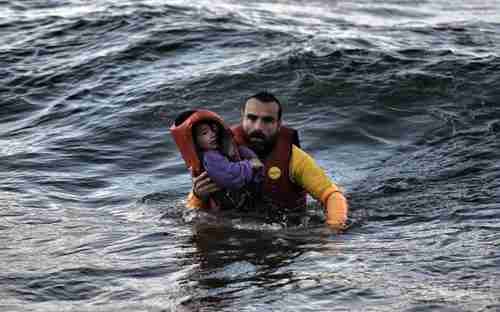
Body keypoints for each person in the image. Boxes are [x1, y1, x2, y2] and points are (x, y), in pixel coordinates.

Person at [186, 92, 349, 231]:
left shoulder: (294, 158)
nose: (258, 127)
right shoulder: (217, 154)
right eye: (252, 118)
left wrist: (332, 231)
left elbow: (332, 195)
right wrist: (198, 196)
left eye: (267, 120)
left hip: (285, 234)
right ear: (242, 117)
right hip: (232, 235)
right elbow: (192, 210)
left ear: (279, 124)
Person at [170, 109, 264, 211]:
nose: (212, 134)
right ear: (194, 142)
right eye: (205, 133)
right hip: (227, 211)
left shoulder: (227, 147)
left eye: (213, 130)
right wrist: (250, 164)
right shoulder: (209, 158)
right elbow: (230, 175)